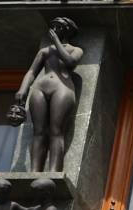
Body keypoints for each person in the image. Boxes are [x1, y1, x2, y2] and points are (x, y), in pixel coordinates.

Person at [15, 16, 83, 172]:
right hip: (40, 88)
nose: (54, 30)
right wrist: (23, 89)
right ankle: (35, 171)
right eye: (53, 26)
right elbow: (32, 72)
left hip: (62, 88)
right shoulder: (44, 51)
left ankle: (53, 171)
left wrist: (56, 42)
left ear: (67, 30)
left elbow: (70, 62)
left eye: (58, 27)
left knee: (56, 131)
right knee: (38, 132)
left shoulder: (76, 50)